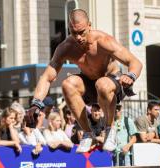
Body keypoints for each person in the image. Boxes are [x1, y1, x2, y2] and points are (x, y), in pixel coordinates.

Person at [26, 8, 142, 153]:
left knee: (102, 84)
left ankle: (110, 129)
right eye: (74, 33)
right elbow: (47, 77)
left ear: (89, 26)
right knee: (67, 84)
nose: (79, 37)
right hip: (89, 84)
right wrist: (36, 103)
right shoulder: (66, 47)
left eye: (82, 32)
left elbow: (135, 62)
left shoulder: (104, 41)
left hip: (111, 83)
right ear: (69, 29)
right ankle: (88, 133)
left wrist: (130, 75)